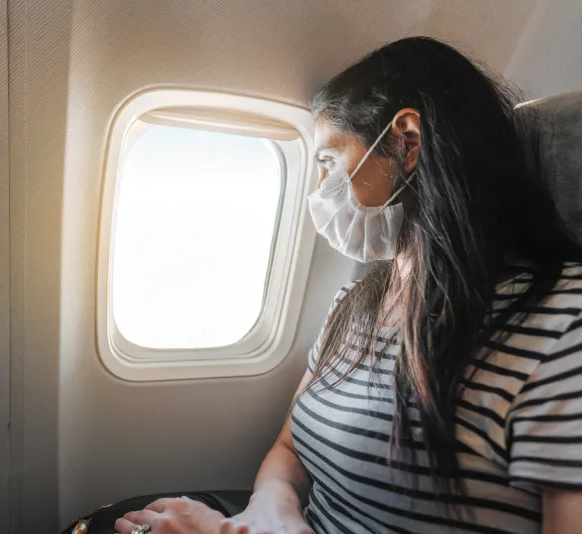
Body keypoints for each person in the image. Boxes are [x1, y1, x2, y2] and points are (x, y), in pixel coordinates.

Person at [114, 36, 582, 534]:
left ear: (407, 141)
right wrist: (267, 516)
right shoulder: (355, 306)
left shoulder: (562, 323)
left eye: (329, 163)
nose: (320, 192)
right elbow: (288, 449)